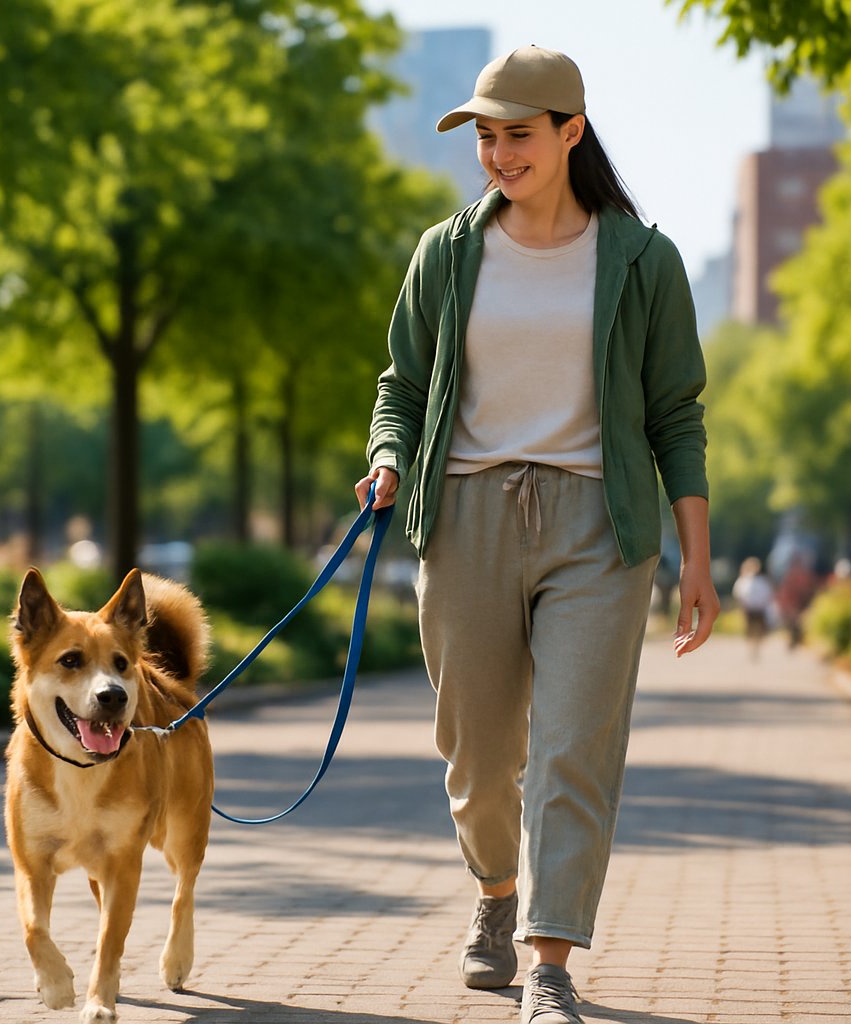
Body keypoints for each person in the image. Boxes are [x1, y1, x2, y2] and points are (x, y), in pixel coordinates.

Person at [354, 46, 718, 1024]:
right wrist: (389, 457)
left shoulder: (643, 261)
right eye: (484, 135)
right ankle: (495, 891)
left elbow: (676, 414)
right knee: (477, 753)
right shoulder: (446, 252)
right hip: (465, 515)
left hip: (601, 525)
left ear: (571, 132)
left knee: (572, 746)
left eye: (517, 134)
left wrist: (696, 555)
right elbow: (403, 384)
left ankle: (549, 961)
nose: (496, 153)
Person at [731, 556, 775, 660]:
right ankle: (752, 648)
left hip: (759, 609)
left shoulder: (762, 581)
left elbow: (768, 594)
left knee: (760, 630)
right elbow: (739, 595)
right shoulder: (743, 580)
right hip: (749, 609)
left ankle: (756, 648)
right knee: (750, 630)